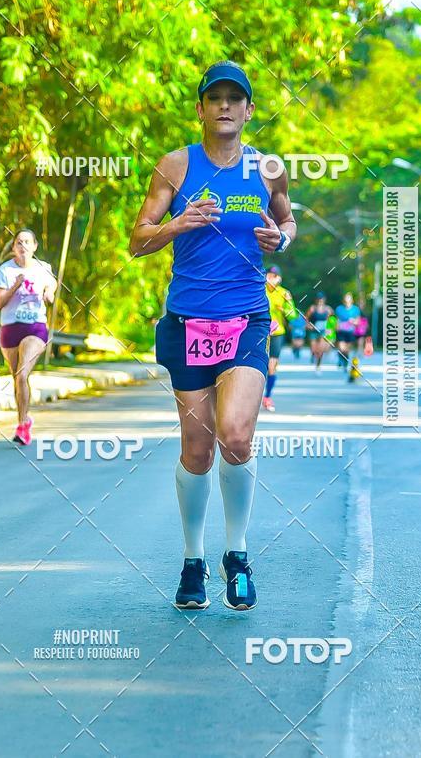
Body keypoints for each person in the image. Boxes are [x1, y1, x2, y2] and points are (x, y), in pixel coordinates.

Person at [129, 60, 296, 611]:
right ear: (200, 108)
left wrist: (282, 239)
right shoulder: (176, 167)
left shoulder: (268, 168)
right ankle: (194, 560)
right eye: (215, 98)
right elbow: (138, 240)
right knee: (197, 451)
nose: (225, 106)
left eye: (236, 98)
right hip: (188, 323)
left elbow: (287, 221)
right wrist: (179, 222)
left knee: (236, 437)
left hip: (246, 319)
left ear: (249, 111)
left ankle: (239, 555)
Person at [0, 229, 57, 446]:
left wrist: (49, 293)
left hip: (35, 328)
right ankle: (24, 419)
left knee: (22, 374)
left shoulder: (42, 268)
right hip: (10, 329)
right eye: (19, 242)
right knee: (17, 378)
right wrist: (15, 286)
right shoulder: (5, 270)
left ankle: (22, 426)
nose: (23, 246)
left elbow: (52, 284)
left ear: (34, 246)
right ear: (14, 248)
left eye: (27, 242)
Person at [262, 265, 297, 412]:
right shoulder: (259, 289)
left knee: (272, 366)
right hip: (261, 331)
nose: (271, 278)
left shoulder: (284, 293)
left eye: (274, 276)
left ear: (279, 279)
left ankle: (267, 397)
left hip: (277, 332)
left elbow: (293, 316)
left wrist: (285, 307)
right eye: (269, 275)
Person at [305, 292, 334, 374]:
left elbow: (333, 321)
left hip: (323, 331)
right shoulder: (312, 309)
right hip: (313, 331)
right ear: (316, 300)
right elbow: (306, 319)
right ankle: (313, 355)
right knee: (314, 348)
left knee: (320, 349)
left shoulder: (328, 309)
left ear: (324, 300)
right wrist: (308, 326)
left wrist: (330, 329)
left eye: (321, 299)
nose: (320, 300)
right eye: (318, 299)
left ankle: (318, 366)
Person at [335, 292, 360, 371]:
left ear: (351, 300)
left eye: (348, 298)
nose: (347, 300)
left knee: (347, 350)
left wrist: (353, 321)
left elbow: (358, 321)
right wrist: (336, 326)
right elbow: (335, 319)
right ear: (343, 300)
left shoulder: (355, 309)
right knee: (342, 348)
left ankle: (345, 362)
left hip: (350, 332)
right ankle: (340, 358)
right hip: (341, 331)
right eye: (346, 298)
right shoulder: (339, 309)